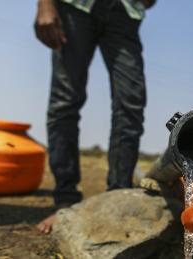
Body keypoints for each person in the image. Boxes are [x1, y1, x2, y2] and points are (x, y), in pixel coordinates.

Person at [34, 0, 155, 234]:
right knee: (65, 101)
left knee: (131, 102)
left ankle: (117, 198)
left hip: (124, 12)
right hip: (75, 7)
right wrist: (45, 4)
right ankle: (66, 201)